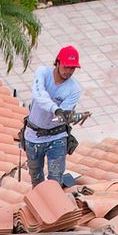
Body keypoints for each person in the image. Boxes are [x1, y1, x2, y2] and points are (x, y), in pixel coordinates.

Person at [22, 46, 88, 187]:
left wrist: (71, 117)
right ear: (57, 62)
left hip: (57, 136)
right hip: (34, 136)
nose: (69, 71)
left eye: (72, 68)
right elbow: (39, 95)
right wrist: (56, 109)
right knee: (36, 177)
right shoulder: (43, 73)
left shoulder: (74, 89)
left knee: (55, 178)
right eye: (66, 67)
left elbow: (62, 116)